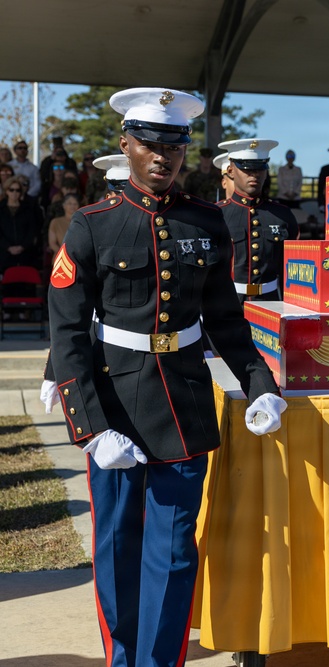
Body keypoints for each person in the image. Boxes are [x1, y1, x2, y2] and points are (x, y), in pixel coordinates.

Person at [47, 87, 286, 667]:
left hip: (183, 401)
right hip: (115, 408)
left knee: (175, 553)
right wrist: (90, 428)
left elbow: (225, 320)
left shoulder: (206, 221)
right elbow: (68, 332)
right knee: (117, 551)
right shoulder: (92, 225)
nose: (162, 157)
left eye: (174, 147)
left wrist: (260, 384)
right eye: (150, 145)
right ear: (126, 145)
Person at [217, 137, 299, 301]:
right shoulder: (216, 214)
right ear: (231, 171)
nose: (254, 174)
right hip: (229, 303)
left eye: (260, 168)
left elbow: (291, 270)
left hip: (271, 302)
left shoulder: (282, 215)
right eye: (246, 169)